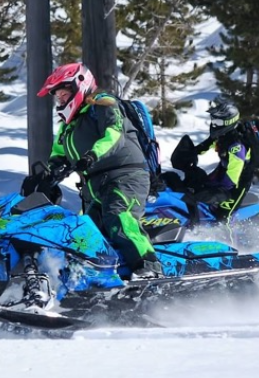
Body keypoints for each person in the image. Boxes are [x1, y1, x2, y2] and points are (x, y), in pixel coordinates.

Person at [36, 62, 163, 280]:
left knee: (118, 216)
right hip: (96, 185)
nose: (61, 100)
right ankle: (97, 280)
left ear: (80, 85)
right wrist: (47, 176)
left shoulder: (103, 104)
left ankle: (149, 267)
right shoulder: (69, 125)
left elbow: (113, 134)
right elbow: (58, 152)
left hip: (125, 176)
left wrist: (92, 155)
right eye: (58, 96)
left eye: (64, 94)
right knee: (86, 232)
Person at [165, 101, 254, 222]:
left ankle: (228, 237)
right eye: (213, 121)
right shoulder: (223, 136)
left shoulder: (236, 145)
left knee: (223, 216)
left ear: (228, 122)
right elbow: (205, 146)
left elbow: (234, 173)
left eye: (217, 122)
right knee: (197, 190)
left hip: (239, 182)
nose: (214, 124)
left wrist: (221, 192)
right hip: (223, 171)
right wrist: (189, 153)